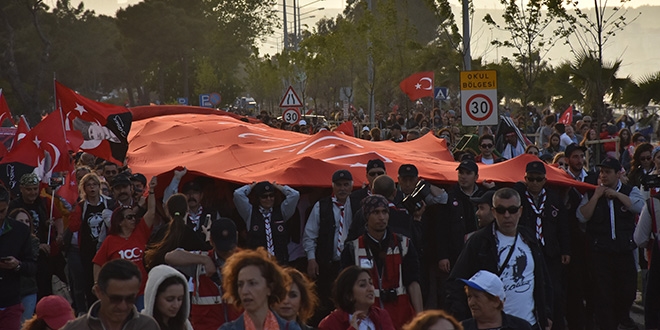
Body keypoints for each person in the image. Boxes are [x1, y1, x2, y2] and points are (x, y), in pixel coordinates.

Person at [445, 188, 552, 329]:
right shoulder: (479, 241)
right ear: (494, 212)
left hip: (529, 323)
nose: (507, 215)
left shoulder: (529, 237)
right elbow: (456, 283)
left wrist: (547, 314)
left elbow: (543, 278)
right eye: (501, 210)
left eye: (512, 210)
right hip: (494, 325)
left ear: (520, 211)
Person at [576, 157, 645, 330]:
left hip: (624, 251)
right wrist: (596, 196)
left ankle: (622, 317)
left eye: (607, 172)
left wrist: (617, 196)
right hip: (601, 253)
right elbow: (581, 216)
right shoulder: (592, 192)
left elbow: (640, 207)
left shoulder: (630, 190)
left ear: (617, 174)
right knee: (603, 295)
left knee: (628, 291)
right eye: (601, 172)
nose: (603, 176)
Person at [342, 194, 422, 329]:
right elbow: (345, 289)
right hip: (368, 318)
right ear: (367, 216)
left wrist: (421, 318)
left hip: (402, 317)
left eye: (385, 212)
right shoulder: (352, 249)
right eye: (376, 212)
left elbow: (413, 283)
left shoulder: (404, 244)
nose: (381, 217)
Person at [513, 161, 569, 330]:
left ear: (545, 180)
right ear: (525, 179)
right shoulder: (519, 198)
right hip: (527, 252)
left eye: (538, 179)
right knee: (529, 289)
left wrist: (566, 250)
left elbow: (563, 226)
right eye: (531, 179)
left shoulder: (553, 198)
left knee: (555, 291)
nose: (535, 183)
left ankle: (556, 323)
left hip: (550, 252)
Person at [164, 217, 242, 330]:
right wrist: (204, 260)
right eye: (223, 249)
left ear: (237, 237)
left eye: (230, 247)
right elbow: (170, 257)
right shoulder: (199, 261)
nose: (227, 253)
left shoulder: (248, 262)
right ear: (211, 241)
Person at [93, 177, 157, 311]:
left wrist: (151, 191)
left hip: (141, 291)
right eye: (129, 217)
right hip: (119, 293)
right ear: (120, 222)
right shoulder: (111, 240)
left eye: (134, 216)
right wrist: (98, 284)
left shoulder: (140, 231)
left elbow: (151, 212)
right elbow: (98, 263)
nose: (134, 219)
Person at [303, 169, 356, 322]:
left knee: (348, 301)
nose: (342, 188)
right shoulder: (321, 206)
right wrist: (311, 259)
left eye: (346, 184)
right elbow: (309, 235)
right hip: (326, 264)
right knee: (325, 303)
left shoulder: (357, 205)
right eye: (339, 185)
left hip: (349, 263)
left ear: (352, 186)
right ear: (333, 186)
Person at [9, 173, 64, 300]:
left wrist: (58, 233)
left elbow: (58, 219)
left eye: (35, 188)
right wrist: (36, 246)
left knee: (45, 290)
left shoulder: (44, 202)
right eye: (29, 189)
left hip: (45, 256)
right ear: (21, 189)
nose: (33, 192)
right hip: (24, 256)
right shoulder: (14, 206)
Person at [62, 259, 160, 330]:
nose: (123, 306)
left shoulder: (148, 326)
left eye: (130, 299)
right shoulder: (75, 328)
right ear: (98, 292)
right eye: (115, 299)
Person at [219, 248, 301, 330]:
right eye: (240, 285)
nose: (244, 291)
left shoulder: (290, 328)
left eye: (252, 283)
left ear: (269, 287)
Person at [68, 172, 115, 312]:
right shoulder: (81, 207)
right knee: (89, 282)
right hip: (87, 250)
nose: (92, 188)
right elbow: (74, 226)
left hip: (106, 248)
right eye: (89, 185)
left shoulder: (109, 203)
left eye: (94, 184)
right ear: (84, 188)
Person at [234, 181, 300, 264]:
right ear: (258, 198)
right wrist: (251, 186)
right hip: (258, 264)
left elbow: (295, 195)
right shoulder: (250, 213)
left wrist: (278, 187)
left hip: (279, 263)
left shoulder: (282, 212)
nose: (269, 199)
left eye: (271, 195)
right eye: (264, 196)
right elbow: (238, 194)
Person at [0, 185, 37, 330]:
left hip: (11, 301)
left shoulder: (20, 231)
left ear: (8, 206)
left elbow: (32, 266)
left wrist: (17, 265)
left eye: (2, 211)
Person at [144, 193, 210, 271]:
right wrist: (208, 235)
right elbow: (206, 253)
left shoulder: (162, 232)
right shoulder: (189, 233)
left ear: (167, 211)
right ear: (187, 209)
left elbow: (148, 255)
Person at [318, 265, 395, 330]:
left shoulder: (381, 315)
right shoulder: (330, 323)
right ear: (349, 295)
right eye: (362, 285)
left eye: (371, 283)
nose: (370, 288)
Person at [459, 270, 532, 330]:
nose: (471, 303)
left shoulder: (521, 327)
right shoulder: (460, 328)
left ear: (496, 301)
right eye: (469, 296)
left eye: (477, 297)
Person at [9, 208, 39, 324]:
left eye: (27, 221)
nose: (25, 224)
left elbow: (32, 265)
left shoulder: (33, 241)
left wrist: (18, 265)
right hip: (9, 292)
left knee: (24, 325)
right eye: (21, 221)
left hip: (28, 290)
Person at [142, 265, 193, 330]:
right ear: (154, 297)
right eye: (170, 299)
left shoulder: (185, 325)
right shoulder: (141, 326)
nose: (176, 305)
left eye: (180, 299)